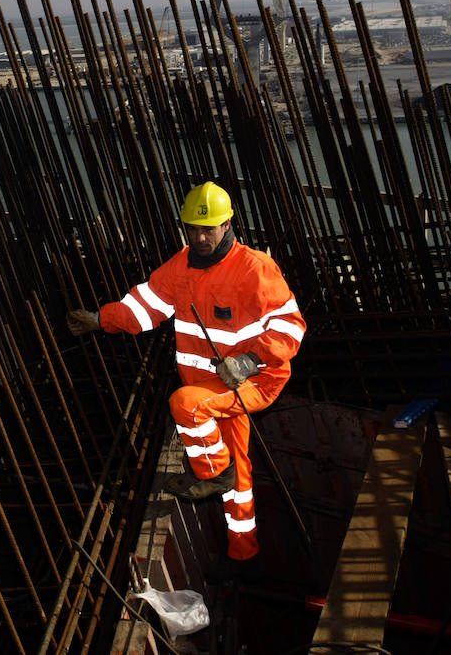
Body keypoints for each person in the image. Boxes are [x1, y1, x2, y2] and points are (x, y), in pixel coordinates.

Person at [66, 182, 305, 560]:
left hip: (255, 380)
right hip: (213, 385)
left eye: (208, 229)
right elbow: (143, 309)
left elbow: (290, 327)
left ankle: (212, 473)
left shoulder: (254, 268)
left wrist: (248, 361)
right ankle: (243, 547)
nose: (200, 238)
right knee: (239, 465)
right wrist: (100, 319)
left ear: (227, 224)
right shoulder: (181, 267)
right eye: (193, 229)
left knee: (185, 405)